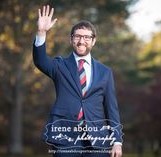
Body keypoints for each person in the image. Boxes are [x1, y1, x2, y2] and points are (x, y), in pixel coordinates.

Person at [33, 5, 123, 157]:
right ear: (71, 39)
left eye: (87, 37)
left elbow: (111, 108)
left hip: (97, 140)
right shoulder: (59, 66)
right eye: (77, 36)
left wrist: (117, 141)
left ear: (93, 41)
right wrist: (41, 32)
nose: (82, 41)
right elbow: (40, 60)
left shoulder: (105, 72)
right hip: (65, 137)